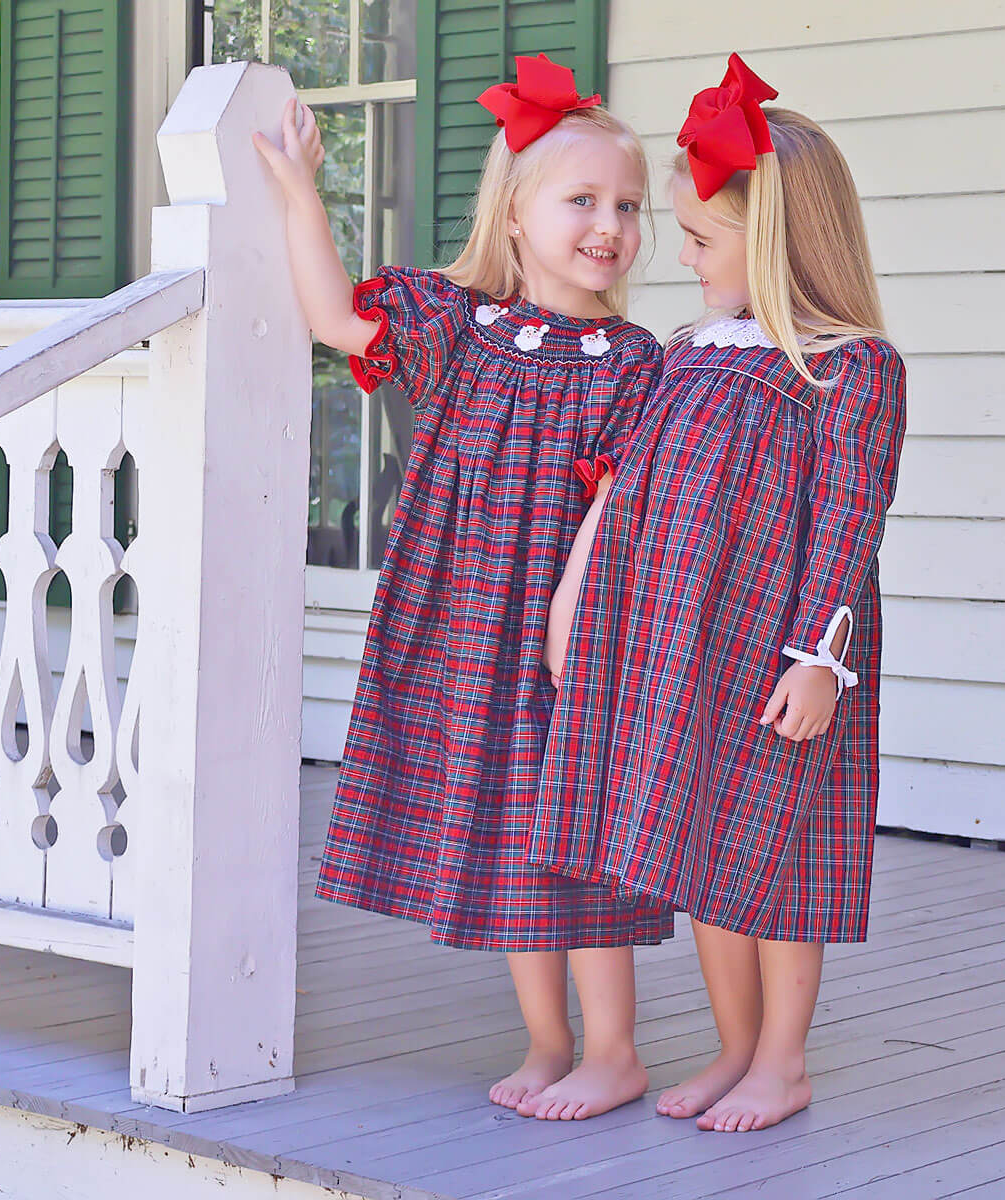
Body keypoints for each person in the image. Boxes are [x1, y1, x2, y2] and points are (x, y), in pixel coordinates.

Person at [255, 53, 673, 1121]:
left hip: (573, 634)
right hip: (465, 625)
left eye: (627, 205)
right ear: (518, 213)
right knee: (507, 833)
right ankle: (546, 1042)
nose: (609, 224)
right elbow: (335, 319)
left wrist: (578, 618)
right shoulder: (454, 327)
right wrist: (304, 193)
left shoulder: (632, 362)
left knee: (573, 838)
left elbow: (631, 503)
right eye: (581, 199)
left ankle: (613, 1050)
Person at [532, 53, 908, 1133]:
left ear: (777, 241)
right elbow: (630, 493)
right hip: (679, 646)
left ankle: (781, 1061)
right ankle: (736, 1049)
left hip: (782, 656)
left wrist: (818, 660)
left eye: (700, 239)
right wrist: (580, 605)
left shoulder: (849, 367)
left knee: (780, 859)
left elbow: (848, 522)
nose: (681, 259)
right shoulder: (692, 355)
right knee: (706, 853)